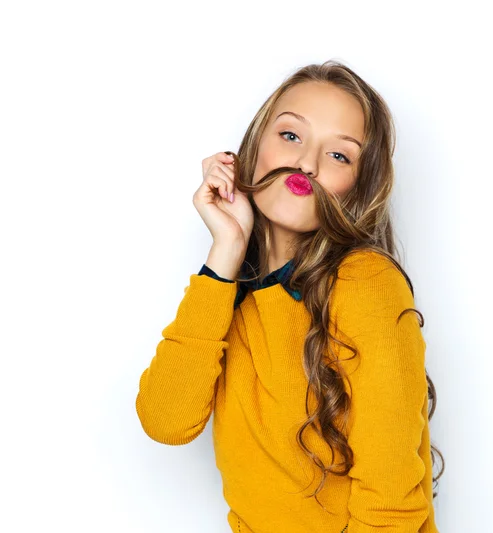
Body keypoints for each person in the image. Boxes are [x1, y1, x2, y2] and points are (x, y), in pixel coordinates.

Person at [135, 59, 443, 533]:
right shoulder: (232, 295)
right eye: (291, 136)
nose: (306, 164)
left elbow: (391, 506)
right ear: (254, 145)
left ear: (358, 188)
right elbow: (165, 421)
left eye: (339, 156)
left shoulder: (365, 282)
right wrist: (227, 250)